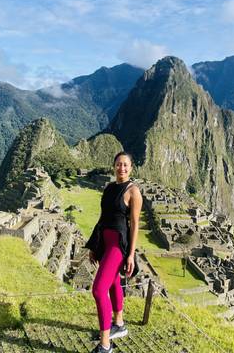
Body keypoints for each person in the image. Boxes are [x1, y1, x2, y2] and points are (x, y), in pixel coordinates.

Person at [85, 151, 143, 353]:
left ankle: (105, 345)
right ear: (114, 166)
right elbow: (102, 217)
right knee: (112, 284)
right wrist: (94, 245)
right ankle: (119, 324)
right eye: (118, 164)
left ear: (131, 168)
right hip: (104, 243)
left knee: (98, 290)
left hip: (118, 246)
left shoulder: (133, 191)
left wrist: (130, 255)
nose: (122, 168)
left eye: (125, 165)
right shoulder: (109, 188)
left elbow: (135, 225)